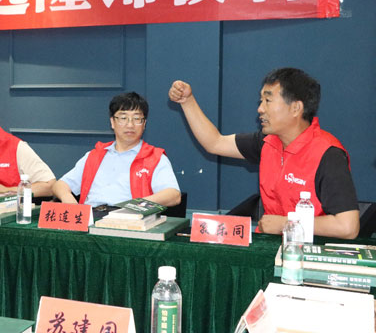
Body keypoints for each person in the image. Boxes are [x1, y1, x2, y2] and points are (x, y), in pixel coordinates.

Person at [168, 68, 359, 239]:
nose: (260, 109)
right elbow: (215, 142)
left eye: (268, 101)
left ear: (295, 108)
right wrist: (187, 101)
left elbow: (347, 227)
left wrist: (286, 223)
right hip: (268, 245)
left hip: (308, 252)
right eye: (261, 101)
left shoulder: (328, 154)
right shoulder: (267, 142)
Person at [53, 92, 181, 207]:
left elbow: (173, 195)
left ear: (144, 124)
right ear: (112, 122)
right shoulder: (95, 155)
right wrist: (69, 201)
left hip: (130, 218)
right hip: (91, 217)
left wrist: (136, 206)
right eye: (123, 118)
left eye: (137, 119)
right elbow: (60, 185)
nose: (130, 125)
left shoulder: (155, 158)